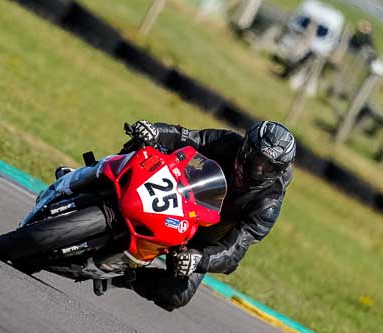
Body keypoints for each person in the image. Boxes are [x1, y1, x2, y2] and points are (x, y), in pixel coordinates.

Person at [117, 119, 295, 310]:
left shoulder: (269, 202)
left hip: (201, 239)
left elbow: (235, 250)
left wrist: (198, 258)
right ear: (246, 147)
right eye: (257, 158)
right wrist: (155, 131)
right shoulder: (227, 142)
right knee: (143, 143)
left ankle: (123, 278)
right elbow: (187, 137)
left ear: (278, 171)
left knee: (177, 295)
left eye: (268, 166)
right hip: (175, 198)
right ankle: (99, 174)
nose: (258, 169)